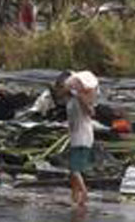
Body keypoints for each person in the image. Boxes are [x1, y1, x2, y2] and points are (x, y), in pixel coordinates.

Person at [55, 70, 99, 209]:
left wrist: (80, 96)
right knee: (73, 172)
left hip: (83, 137)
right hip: (76, 136)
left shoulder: (80, 99)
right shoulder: (70, 101)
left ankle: (84, 194)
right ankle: (75, 197)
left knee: (74, 169)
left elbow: (91, 112)